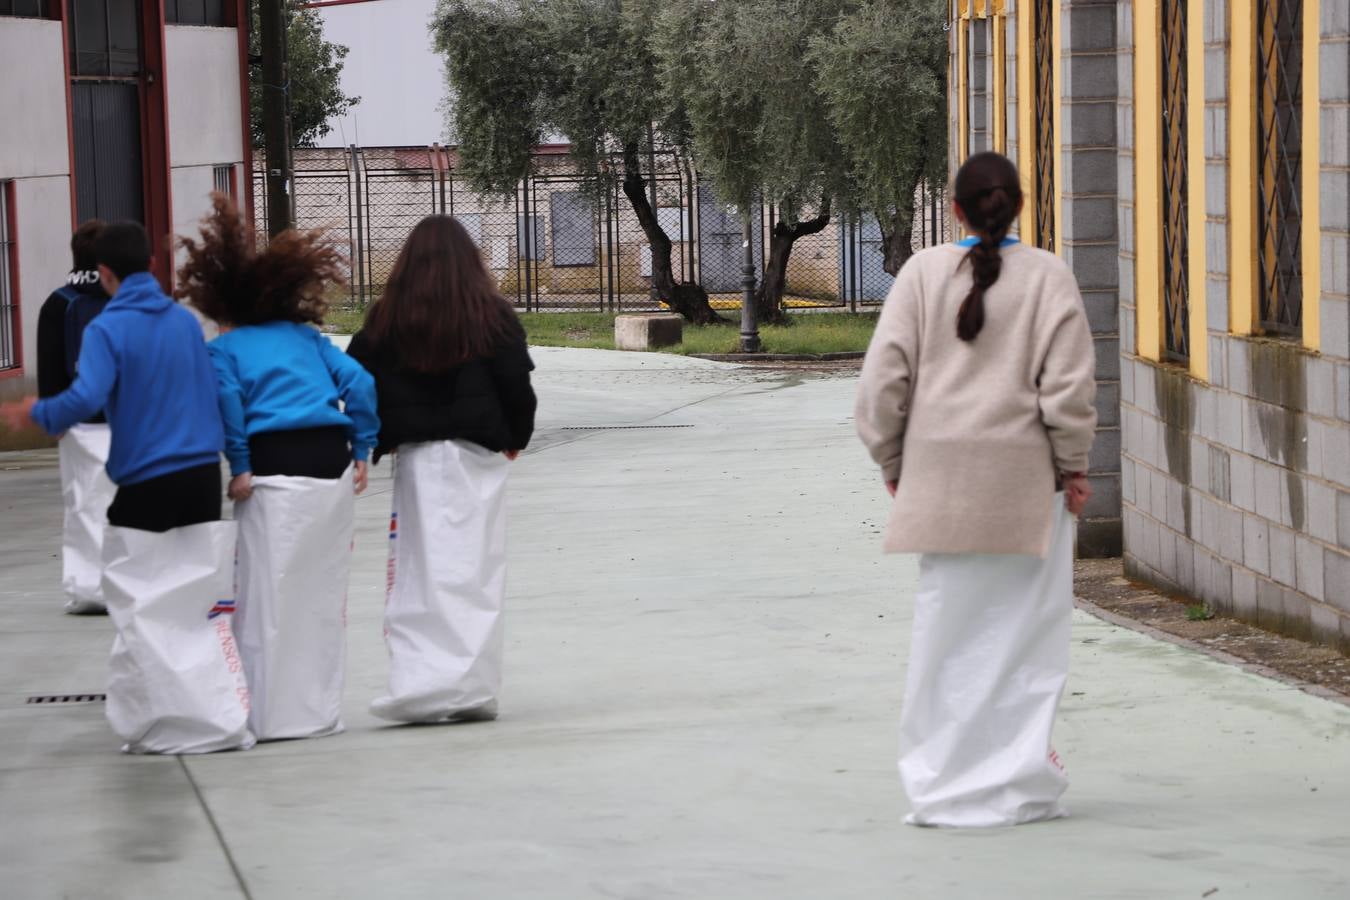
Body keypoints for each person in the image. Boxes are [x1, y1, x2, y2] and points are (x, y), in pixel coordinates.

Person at [855, 151, 1097, 828]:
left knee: (946, 638)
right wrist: (1073, 469)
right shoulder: (1050, 278)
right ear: (1019, 205)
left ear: (955, 209)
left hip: (937, 487)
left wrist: (892, 460)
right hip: (1026, 490)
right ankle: (1015, 784)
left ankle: (940, 786)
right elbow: (1069, 392)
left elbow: (882, 384)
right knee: (1026, 640)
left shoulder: (921, 274)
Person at [5, 221, 253, 754]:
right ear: (154, 267)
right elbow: (215, 391)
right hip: (198, 478)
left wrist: (38, 413)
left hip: (146, 480)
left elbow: (85, 395)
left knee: (139, 602)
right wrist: (238, 461)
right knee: (192, 600)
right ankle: (214, 715)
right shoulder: (185, 324)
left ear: (105, 274)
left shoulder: (106, 329)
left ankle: (157, 719)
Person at [177, 194, 379, 742]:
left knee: (266, 594)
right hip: (330, 464)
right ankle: (317, 712)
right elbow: (360, 383)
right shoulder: (307, 338)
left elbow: (230, 410)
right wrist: (363, 447)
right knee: (320, 592)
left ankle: (267, 714)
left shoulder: (226, 349)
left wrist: (239, 467)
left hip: (272, 467)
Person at [348, 215, 536, 724]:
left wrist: (371, 442)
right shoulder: (490, 314)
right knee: (475, 569)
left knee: (419, 570)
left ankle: (421, 681)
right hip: (476, 456)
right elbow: (516, 383)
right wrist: (515, 438)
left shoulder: (387, 317)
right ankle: (470, 686)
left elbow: (359, 381)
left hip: (416, 460)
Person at [35, 220, 116, 614]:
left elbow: (49, 365)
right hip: (126, 418)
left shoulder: (59, 302)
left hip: (79, 420)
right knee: (127, 502)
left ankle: (87, 589)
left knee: (82, 503)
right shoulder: (121, 299)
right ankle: (127, 581)